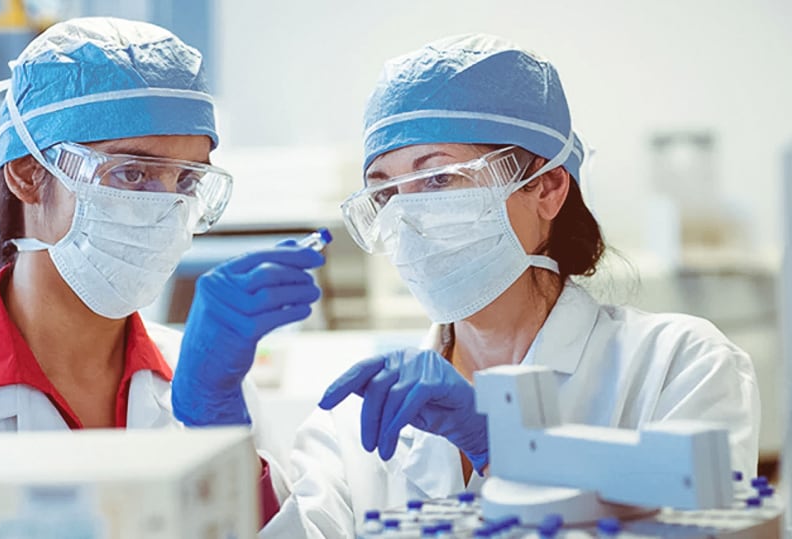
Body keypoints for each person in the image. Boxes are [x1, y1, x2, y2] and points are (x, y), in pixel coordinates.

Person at [259, 34, 760, 536]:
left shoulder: (677, 364)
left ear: (546, 187)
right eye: (384, 191)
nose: (404, 216)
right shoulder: (358, 416)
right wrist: (217, 417)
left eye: (438, 179)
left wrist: (508, 452)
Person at [0, 17, 323, 527]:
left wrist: (223, 430)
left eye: (187, 180)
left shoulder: (205, 386)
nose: (165, 207)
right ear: (28, 175)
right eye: (132, 172)